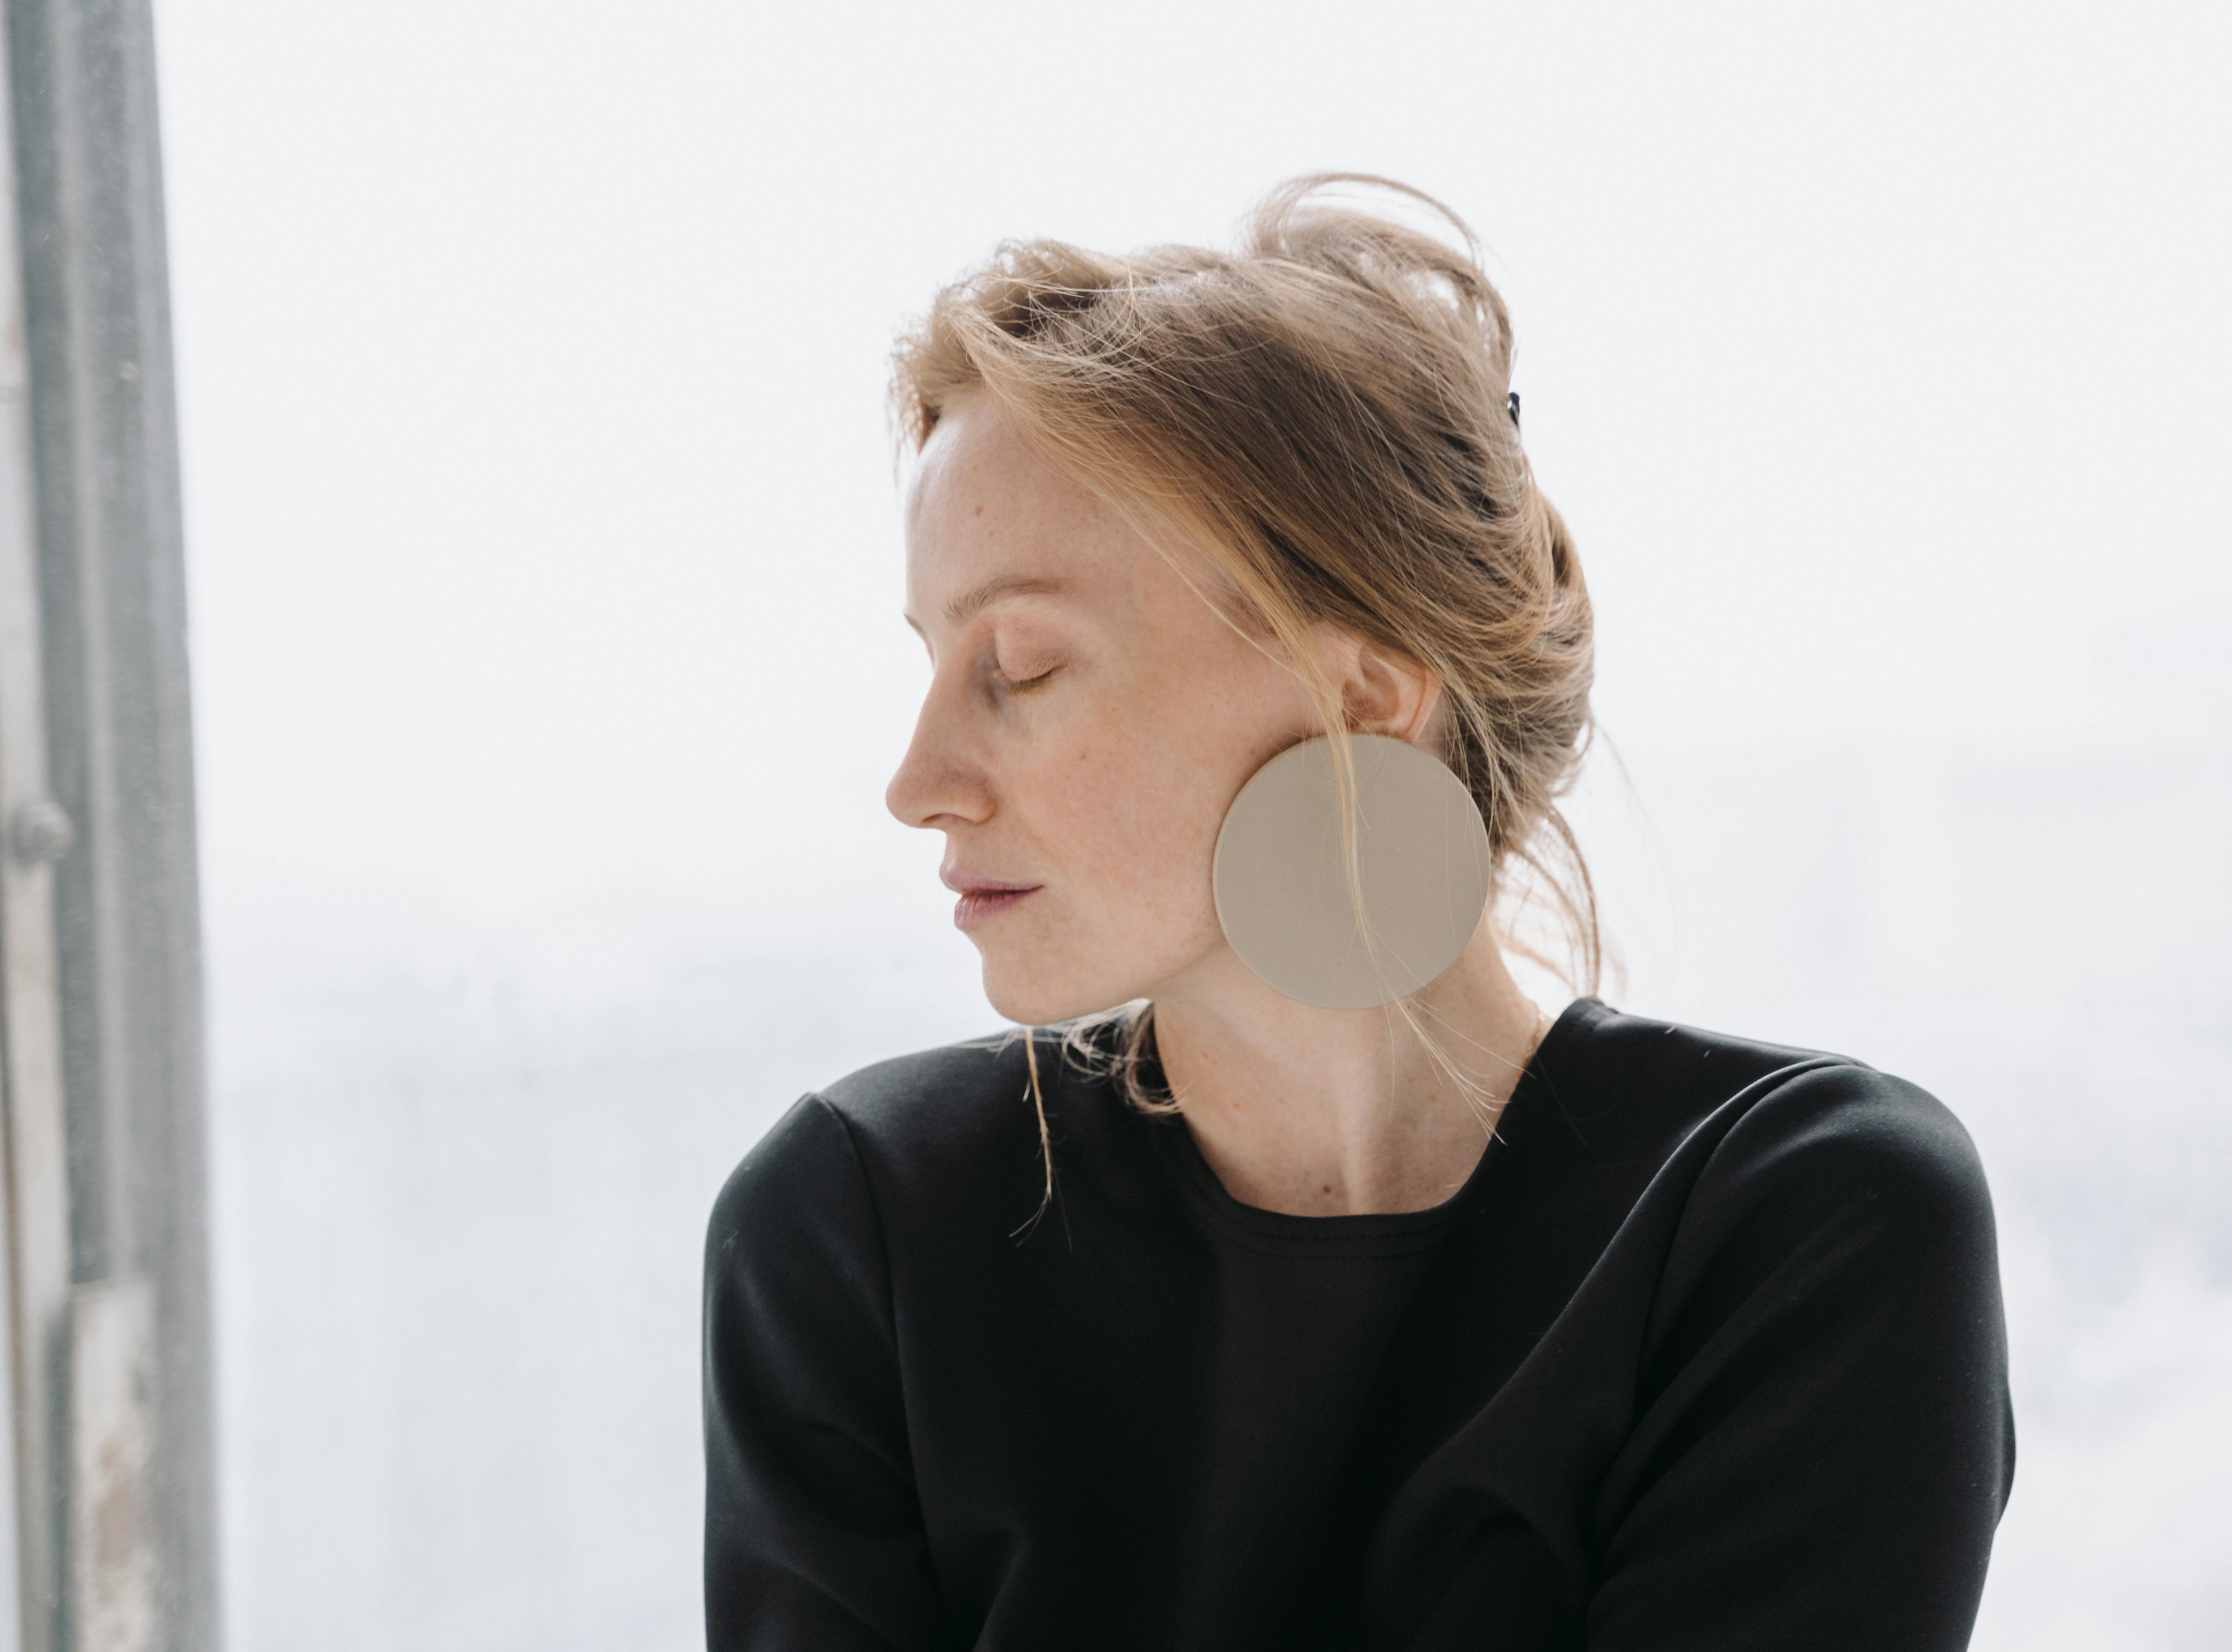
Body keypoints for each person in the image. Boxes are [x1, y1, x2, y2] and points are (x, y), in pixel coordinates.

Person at [702, 175, 2011, 1650]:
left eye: (1018, 667)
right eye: (931, 664)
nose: (918, 782)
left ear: (1363, 696)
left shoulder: (1796, 1224)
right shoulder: (857, 1232)